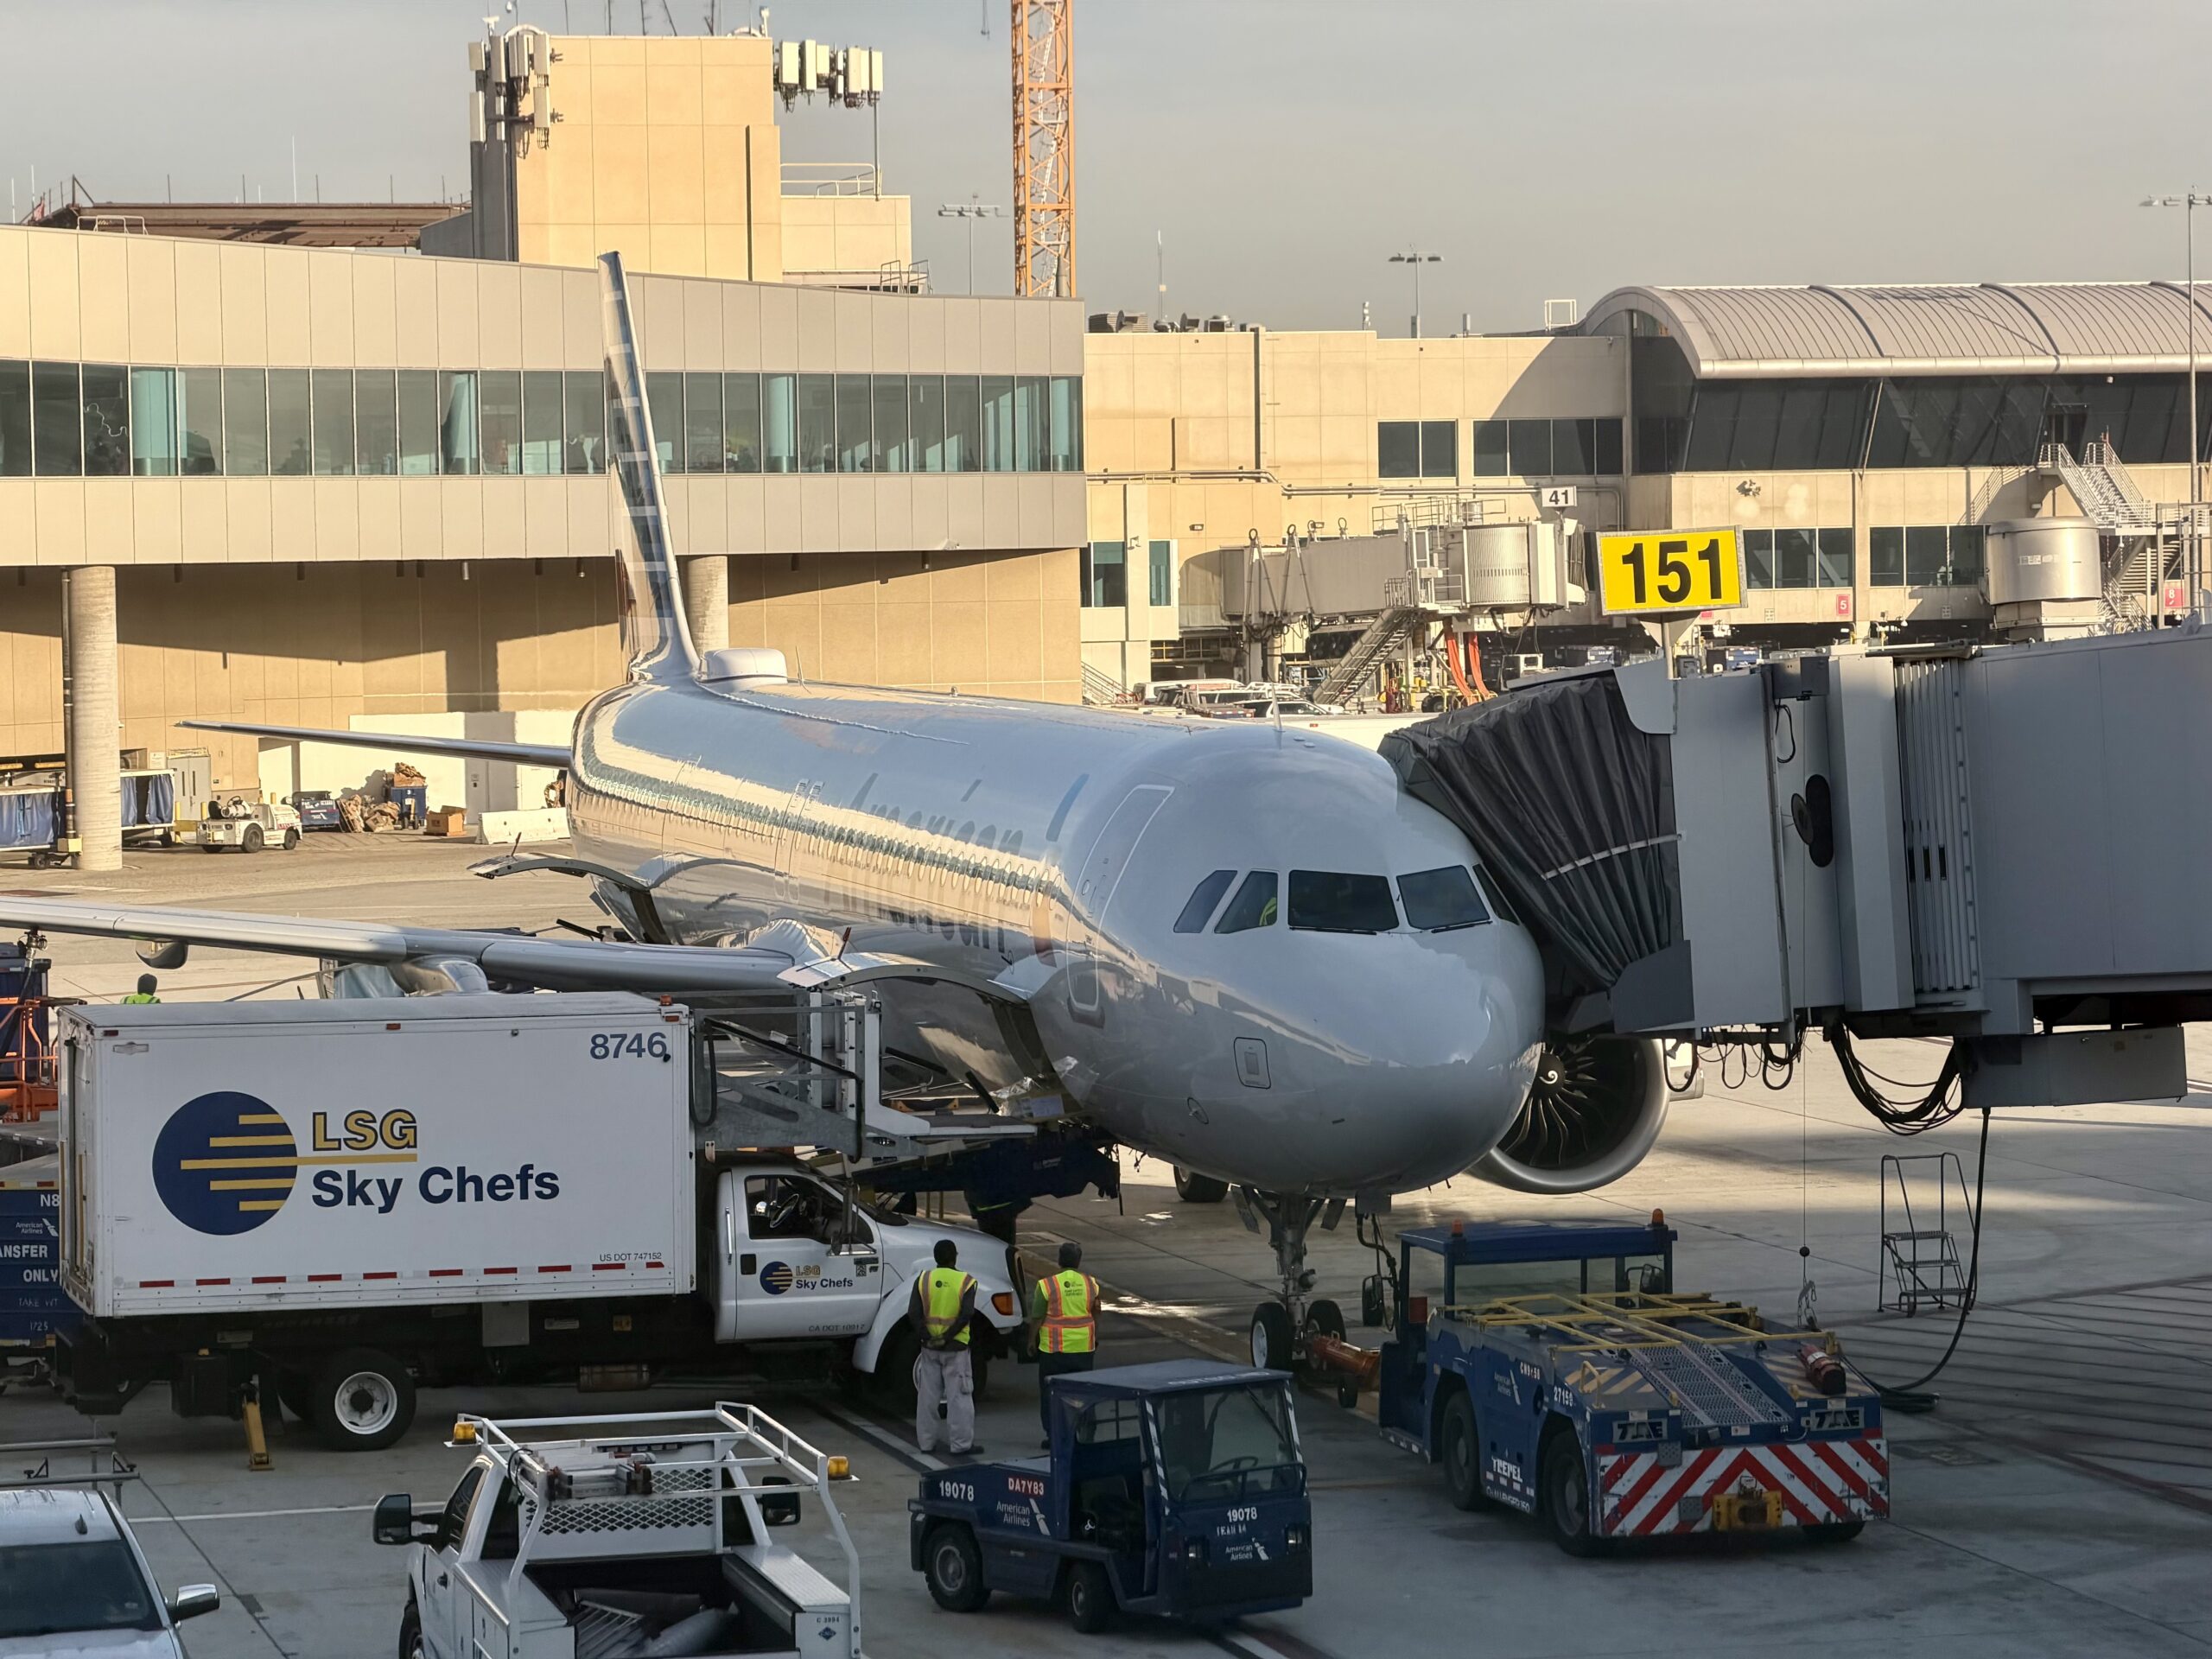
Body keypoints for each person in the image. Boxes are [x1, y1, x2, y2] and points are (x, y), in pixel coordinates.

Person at [909, 1239, 982, 1456]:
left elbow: (913, 1313)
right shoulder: (967, 1281)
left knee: (927, 1398)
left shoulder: (923, 1280)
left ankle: (926, 1444)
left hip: (929, 1349)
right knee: (959, 1397)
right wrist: (947, 1336)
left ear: (935, 1257)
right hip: (956, 1348)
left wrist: (929, 1337)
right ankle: (961, 1445)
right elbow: (967, 1313)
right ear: (955, 1257)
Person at [1031, 1240, 1100, 1446]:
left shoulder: (1047, 1285)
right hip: (1083, 1349)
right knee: (1083, 1393)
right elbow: (1096, 1312)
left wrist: (1030, 1341)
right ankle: (1084, 1434)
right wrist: (1095, 1336)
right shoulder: (1091, 1284)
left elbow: (1037, 1316)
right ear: (1079, 1261)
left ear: (1059, 1260)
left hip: (1054, 1350)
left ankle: (1054, 1436)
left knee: (1051, 1394)